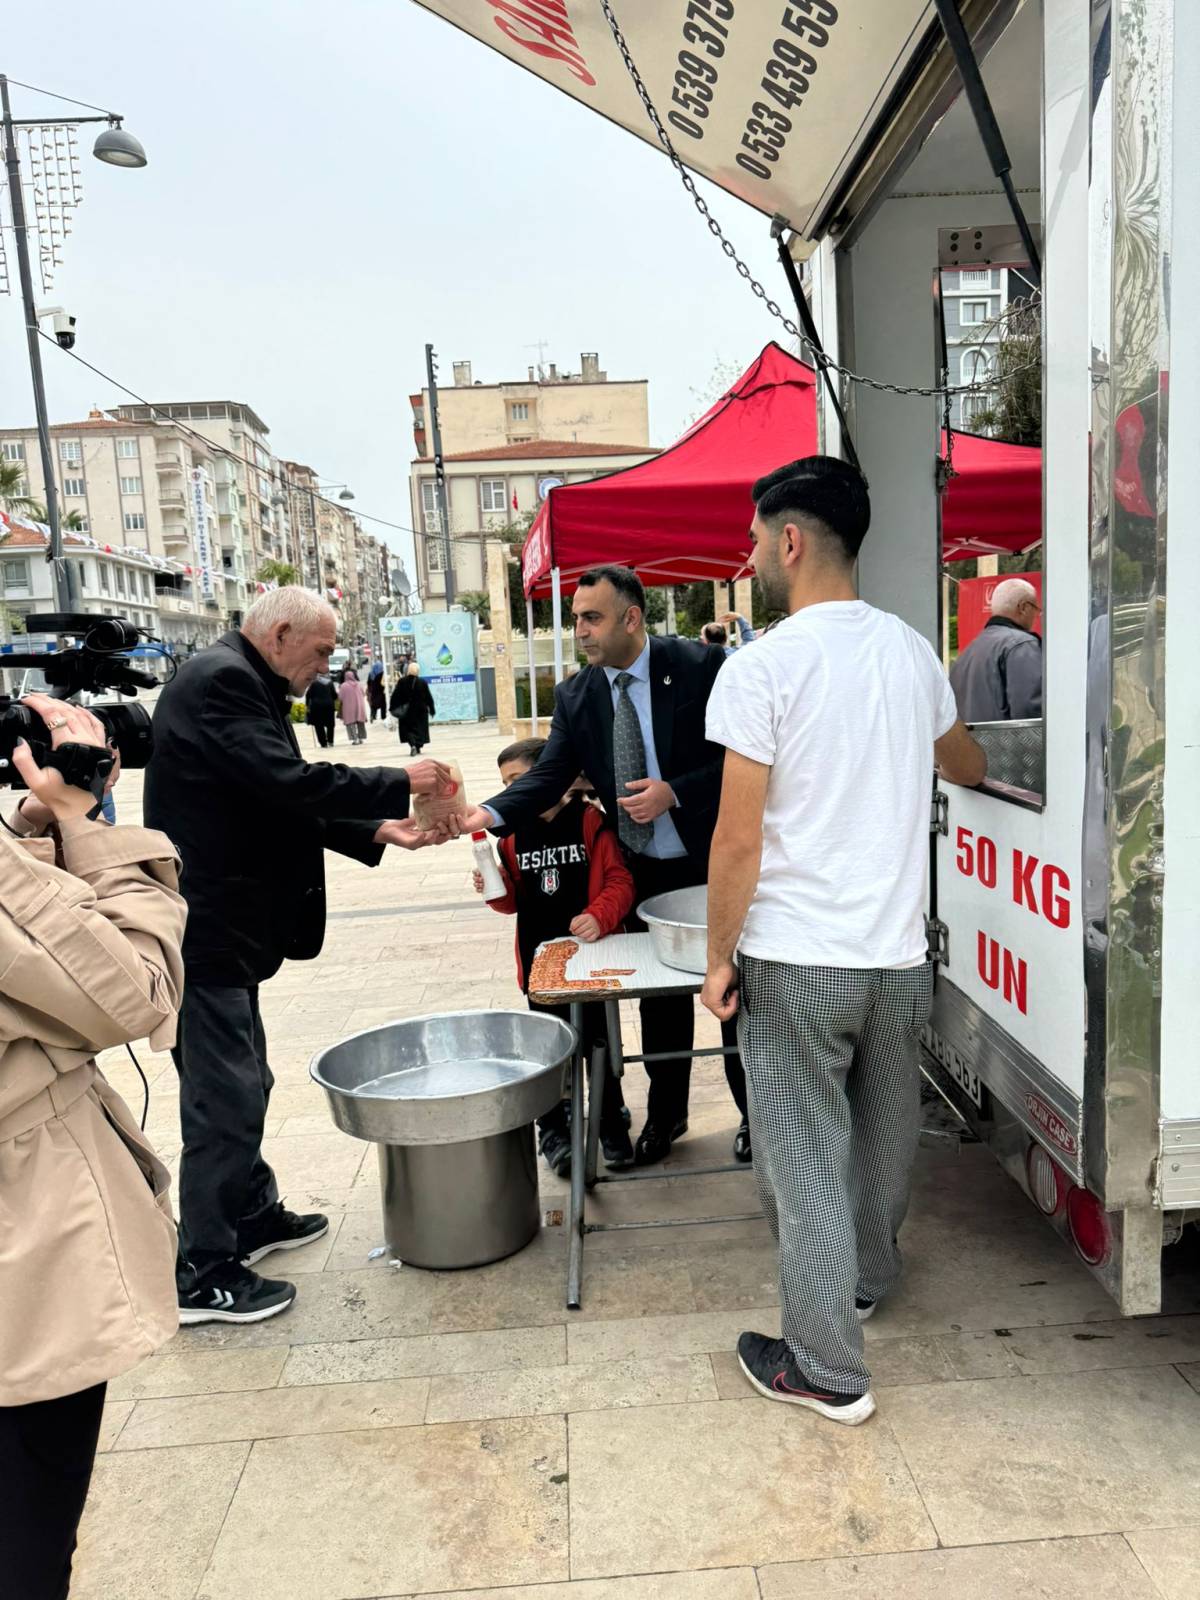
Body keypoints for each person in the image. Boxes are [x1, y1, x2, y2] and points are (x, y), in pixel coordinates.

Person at [701, 455, 986, 1426]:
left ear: (789, 541)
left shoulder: (762, 667)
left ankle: (825, 1367)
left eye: (754, 539)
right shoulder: (911, 652)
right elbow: (966, 762)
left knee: (804, 1158)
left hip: (798, 957)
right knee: (884, 1135)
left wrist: (717, 959)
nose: (749, 556)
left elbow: (738, 838)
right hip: (897, 957)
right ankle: (865, 1278)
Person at [144, 587, 453, 1325]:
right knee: (225, 1100)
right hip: (206, 933)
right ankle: (203, 1271)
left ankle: (251, 1216)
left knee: (247, 1080)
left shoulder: (241, 676)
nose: (325, 665)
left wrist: (376, 830)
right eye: (320, 652)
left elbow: (268, 800)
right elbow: (285, 783)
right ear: (280, 633)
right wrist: (401, 783)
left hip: (227, 933)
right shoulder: (223, 682)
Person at [458, 565, 750, 1167]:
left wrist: (675, 792)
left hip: (714, 862)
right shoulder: (577, 695)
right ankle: (667, 1116)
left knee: (736, 992)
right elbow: (548, 776)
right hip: (642, 870)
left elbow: (744, 758)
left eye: (591, 618)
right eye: (576, 619)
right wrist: (484, 814)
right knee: (660, 1004)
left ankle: (756, 1117)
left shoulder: (701, 667)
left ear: (631, 618)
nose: (580, 631)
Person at [1, 696, 185, 1598]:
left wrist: (26, 832)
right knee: (29, 1532)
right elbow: (132, 989)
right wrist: (83, 821)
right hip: (28, 1250)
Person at [474, 737, 635, 1175]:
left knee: (598, 1045)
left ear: (550, 774)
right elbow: (513, 901)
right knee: (547, 1052)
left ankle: (609, 1121)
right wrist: (494, 888)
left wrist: (599, 915)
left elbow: (620, 881)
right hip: (540, 967)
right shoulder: (510, 835)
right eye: (504, 784)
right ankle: (553, 1131)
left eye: (518, 780)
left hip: (591, 962)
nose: (511, 791)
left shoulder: (589, 821)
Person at [949, 576, 1043, 722]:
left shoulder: (967, 653)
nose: (1036, 616)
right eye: (1036, 609)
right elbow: (1031, 714)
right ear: (1023, 607)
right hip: (1008, 738)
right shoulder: (1021, 644)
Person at [391, 661, 436, 757]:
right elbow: (428, 697)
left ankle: (413, 745)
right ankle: (418, 746)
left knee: (408, 730)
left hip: (406, 711)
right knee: (420, 729)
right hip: (420, 711)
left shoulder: (402, 682)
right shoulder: (422, 682)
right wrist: (432, 709)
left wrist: (393, 707)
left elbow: (395, 696)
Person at [305, 669, 337, 748]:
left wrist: (307, 705)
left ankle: (323, 743)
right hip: (329, 706)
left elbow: (308, 695)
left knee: (319, 725)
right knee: (330, 724)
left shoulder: (314, 683)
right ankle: (330, 741)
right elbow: (334, 695)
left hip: (317, 707)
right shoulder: (330, 683)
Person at [338, 666, 368, 745]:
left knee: (350, 723)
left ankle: (355, 739)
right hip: (359, 706)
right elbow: (363, 694)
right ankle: (361, 738)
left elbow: (340, 697)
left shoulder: (343, 686)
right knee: (360, 723)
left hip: (348, 707)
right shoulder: (359, 684)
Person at [367, 658, 387, 723]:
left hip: (373, 690)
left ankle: (372, 716)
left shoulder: (371, 673)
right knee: (383, 704)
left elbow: (368, 682)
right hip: (381, 691)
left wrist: (369, 689)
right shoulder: (383, 674)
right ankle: (383, 716)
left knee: (373, 704)